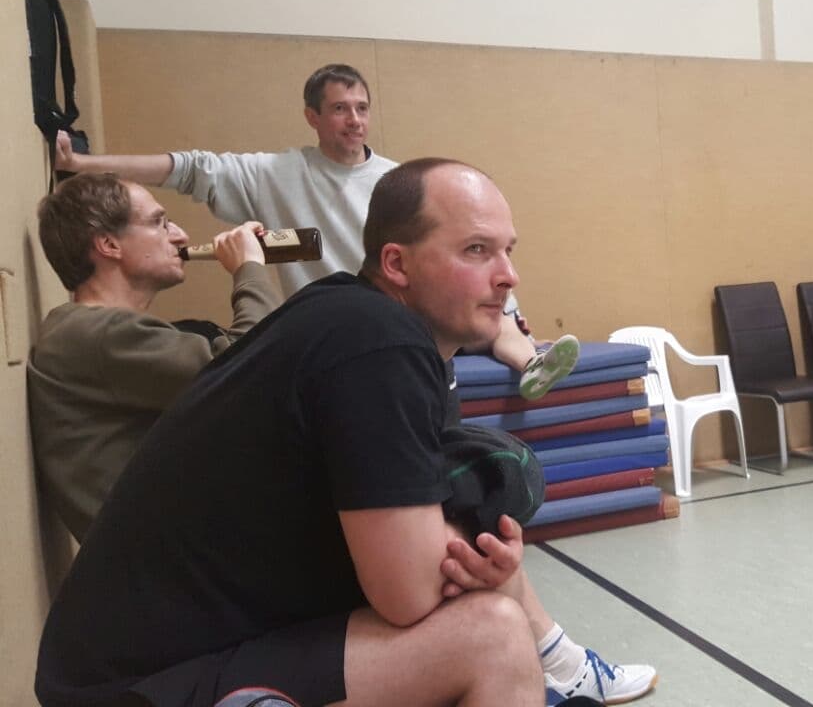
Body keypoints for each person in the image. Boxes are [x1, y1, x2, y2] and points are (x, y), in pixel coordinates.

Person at [34, 160, 656, 707]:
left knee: (473, 535)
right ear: (397, 263)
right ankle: (558, 662)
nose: (508, 275)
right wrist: (468, 541)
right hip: (132, 684)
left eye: (507, 250)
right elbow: (410, 593)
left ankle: (559, 662)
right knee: (490, 635)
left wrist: (465, 544)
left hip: (153, 650)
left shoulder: (354, 316)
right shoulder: (375, 342)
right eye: (476, 250)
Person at [52, 63, 577, 401]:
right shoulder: (276, 174)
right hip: (342, 343)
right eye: (340, 109)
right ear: (313, 116)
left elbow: (462, 254)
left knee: (497, 318)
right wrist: (82, 164)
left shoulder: (398, 182)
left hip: (413, 336)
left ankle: (529, 356)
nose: (354, 120)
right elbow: (185, 168)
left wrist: (501, 303)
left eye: (362, 109)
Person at [27, 173, 282, 542]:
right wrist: (249, 269)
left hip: (173, 553)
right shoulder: (96, 334)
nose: (180, 235)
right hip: (168, 564)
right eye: (159, 223)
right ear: (109, 244)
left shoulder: (91, 331)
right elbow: (256, 366)